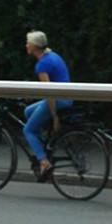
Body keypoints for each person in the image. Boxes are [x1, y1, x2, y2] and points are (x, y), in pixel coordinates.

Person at [23, 30, 73, 181]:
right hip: (67, 97)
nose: (26, 45)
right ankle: (43, 143)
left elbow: (49, 92)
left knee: (28, 130)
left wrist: (54, 116)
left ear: (34, 46)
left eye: (28, 43)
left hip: (58, 100)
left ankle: (44, 161)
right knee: (28, 111)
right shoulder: (52, 55)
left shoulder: (42, 65)